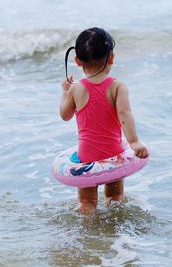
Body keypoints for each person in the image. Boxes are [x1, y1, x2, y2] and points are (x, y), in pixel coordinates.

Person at [59, 27, 149, 214]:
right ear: (111, 58)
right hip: (113, 154)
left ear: (77, 61)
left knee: (87, 202)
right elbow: (125, 114)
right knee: (115, 198)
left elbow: (65, 115)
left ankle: (86, 232)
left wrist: (65, 92)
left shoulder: (76, 89)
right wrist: (134, 142)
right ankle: (114, 228)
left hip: (87, 156)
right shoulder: (118, 87)